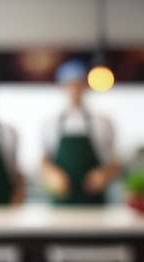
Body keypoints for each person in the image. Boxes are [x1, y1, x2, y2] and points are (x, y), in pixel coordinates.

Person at [40, 59, 119, 205]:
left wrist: (104, 174)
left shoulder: (102, 122)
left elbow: (115, 162)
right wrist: (51, 174)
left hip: (94, 203)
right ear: (62, 86)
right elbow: (43, 162)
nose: (74, 89)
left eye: (78, 84)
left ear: (85, 85)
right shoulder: (50, 124)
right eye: (70, 84)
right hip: (61, 203)